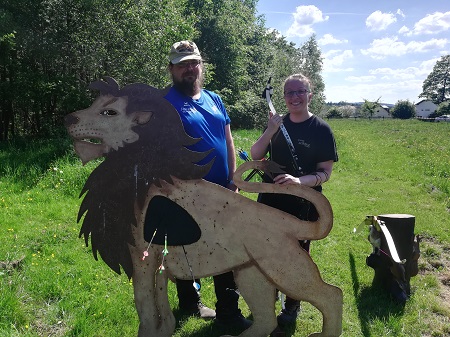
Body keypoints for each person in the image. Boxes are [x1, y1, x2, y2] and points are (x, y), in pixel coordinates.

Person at [163, 40, 252, 329]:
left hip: (222, 191)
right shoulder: (164, 103)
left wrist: (234, 180)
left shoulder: (214, 98)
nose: (190, 68)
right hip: (186, 193)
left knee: (225, 248)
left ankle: (228, 311)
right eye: (182, 64)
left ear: (201, 66)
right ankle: (190, 302)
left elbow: (227, 140)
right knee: (187, 247)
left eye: (194, 62)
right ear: (172, 69)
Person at [250, 73, 338, 327]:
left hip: (302, 202)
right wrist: (270, 130)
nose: (295, 97)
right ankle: (268, 300)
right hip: (271, 199)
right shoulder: (278, 124)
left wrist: (300, 182)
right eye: (289, 93)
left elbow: (325, 173)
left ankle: (292, 305)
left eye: (300, 92)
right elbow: (256, 155)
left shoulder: (321, 130)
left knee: (297, 256)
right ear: (284, 97)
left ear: (310, 95)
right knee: (267, 251)